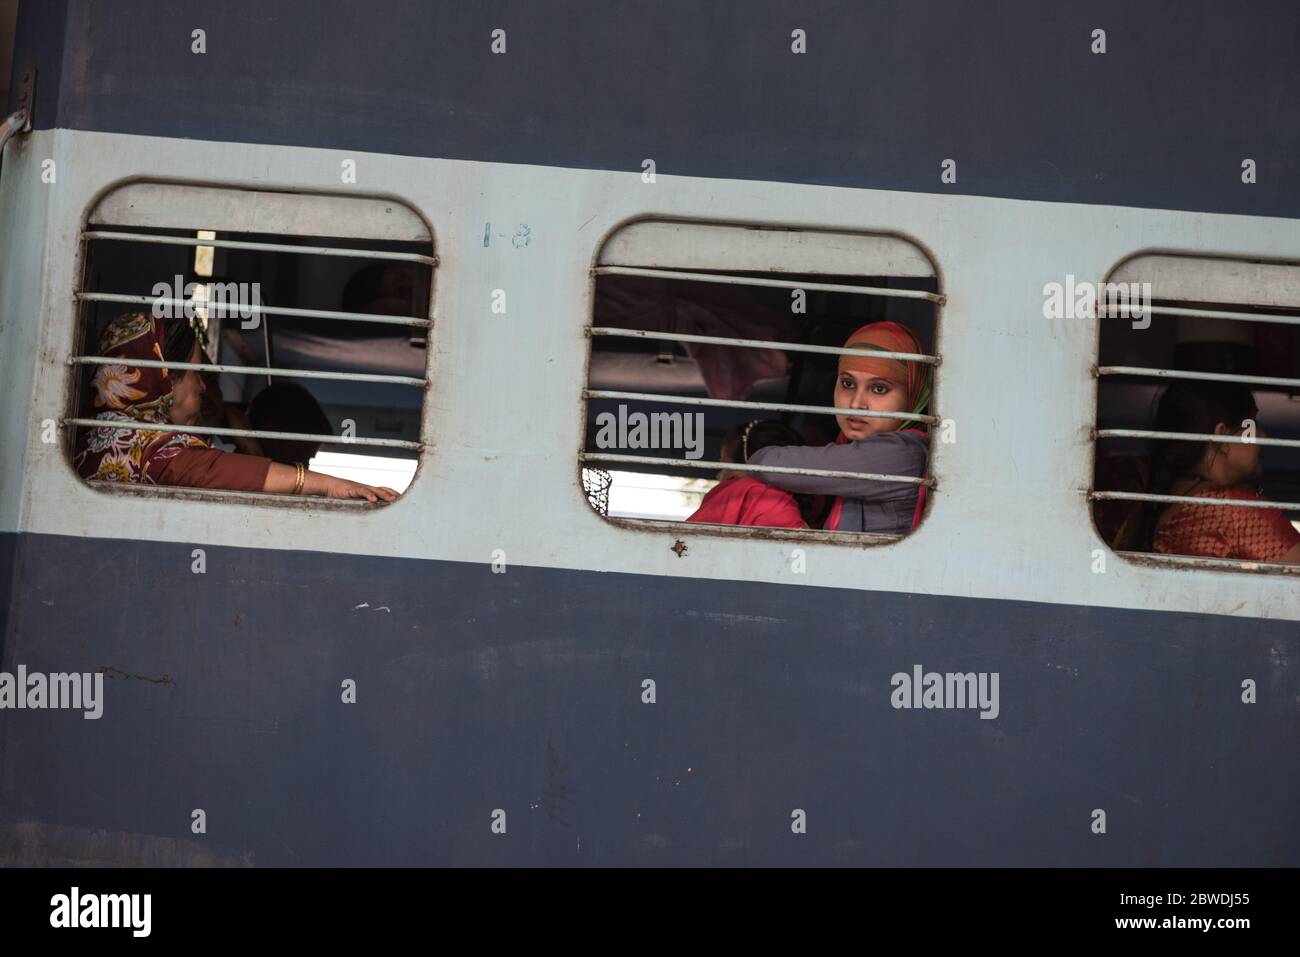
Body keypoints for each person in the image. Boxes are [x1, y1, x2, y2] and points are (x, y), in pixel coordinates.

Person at [73, 312, 397, 502]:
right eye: (195, 375)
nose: (202, 387)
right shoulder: (140, 446)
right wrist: (334, 486)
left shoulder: (103, 430)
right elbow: (214, 471)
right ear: (165, 381)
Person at [745, 321, 932, 534]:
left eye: (879, 389)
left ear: (912, 396)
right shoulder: (857, 450)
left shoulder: (901, 454)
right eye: (847, 384)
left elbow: (768, 464)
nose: (856, 404)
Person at [1120, 381, 1300, 563]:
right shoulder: (1237, 510)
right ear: (1222, 436)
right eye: (1251, 425)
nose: (1263, 436)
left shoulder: (1170, 498)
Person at [686, 420, 817, 528]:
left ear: (744, 469)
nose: (718, 476)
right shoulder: (797, 514)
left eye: (723, 466)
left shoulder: (752, 494)